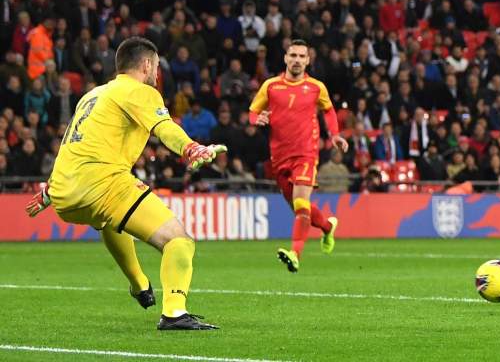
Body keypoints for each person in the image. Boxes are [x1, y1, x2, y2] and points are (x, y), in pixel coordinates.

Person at [25, 37, 225, 330]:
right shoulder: (141, 92)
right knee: (178, 240)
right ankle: (174, 313)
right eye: (155, 67)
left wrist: (49, 192)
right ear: (146, 65)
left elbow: (72, 144)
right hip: (104, 184)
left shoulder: (92, 96)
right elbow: (164, 127)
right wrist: (191, 148)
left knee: (108, 221)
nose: (156, 74)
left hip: (65, 194)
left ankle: (139, 284)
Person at [249, 39, 349, 273]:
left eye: (302, 56)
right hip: (279, 157)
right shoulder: (271, 86)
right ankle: (326, 226)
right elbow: (253, 112)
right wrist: (257, 120)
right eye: (293, 55)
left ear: (308, 60)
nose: (297, 60)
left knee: (302, 203)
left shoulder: (316, 87)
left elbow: (329, 110)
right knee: (299, 208)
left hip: (306, 153)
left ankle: (295, 254)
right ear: (285, 58)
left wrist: (334, 134)